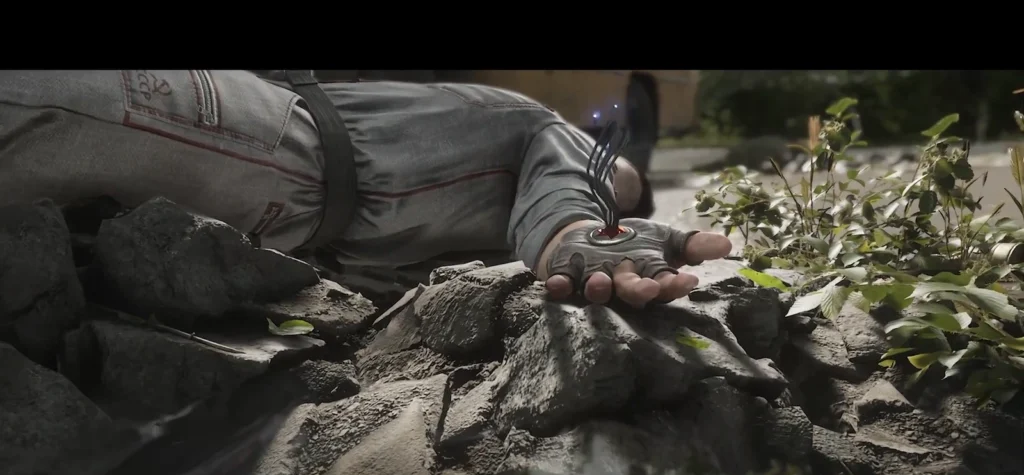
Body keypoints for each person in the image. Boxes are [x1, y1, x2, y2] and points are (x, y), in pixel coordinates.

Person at [0, 70, 731, 308]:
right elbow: (563, 167)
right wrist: (575, 228)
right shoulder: (523, 121)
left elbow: (567, 179)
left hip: (271, 169)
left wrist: (574, 227)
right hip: (271, 147)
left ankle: (629, 158)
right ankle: (629, 157)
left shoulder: (529, 143)